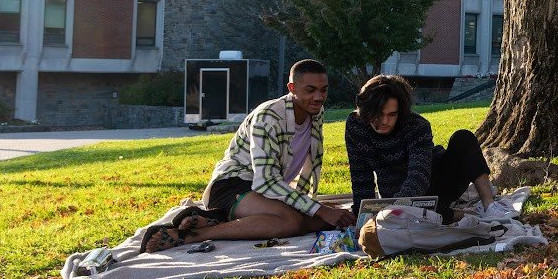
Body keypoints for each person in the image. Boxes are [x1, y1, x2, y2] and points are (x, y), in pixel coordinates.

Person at [141, 59, 353, 252]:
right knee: (292, 222)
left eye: (323, 90)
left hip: (264, 192)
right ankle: (193, 235)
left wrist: (316, 209)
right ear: (292, 88)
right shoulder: (268, 117)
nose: (319, 97)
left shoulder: (315, 112)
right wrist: (316, 209)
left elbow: (303, 168)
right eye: (310, 90)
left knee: (331, 215)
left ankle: (218, 219)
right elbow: (266, 181)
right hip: (232, 185)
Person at [344, 74, 516, 223]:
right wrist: (362, 214)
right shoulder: (356, 125)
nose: (384, 121)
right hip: (394, 192)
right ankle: (461, 214)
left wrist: (396, 207)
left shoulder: (417, 125)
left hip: (434, 182)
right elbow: (360, 175)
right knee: (418, 216)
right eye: (378, 114)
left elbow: (419, 176)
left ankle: (489, 206)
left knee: (463, 138)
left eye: (392, 114)